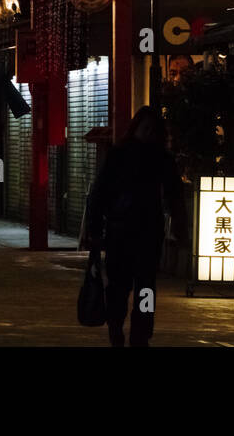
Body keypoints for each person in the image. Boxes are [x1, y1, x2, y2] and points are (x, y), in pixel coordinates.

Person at [83, 106, 188, 347]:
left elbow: (175, 197)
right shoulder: (119, 155)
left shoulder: (160, 159)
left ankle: (139, 332)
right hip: (122, 232)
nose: (149, 134)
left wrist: (181, 229)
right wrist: (95, 229)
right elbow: (99, 194)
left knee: (144, 288)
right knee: (122, 287)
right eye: (146, 129)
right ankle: (118, 328)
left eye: (153, 130)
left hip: (147, 234)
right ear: (136, 129)